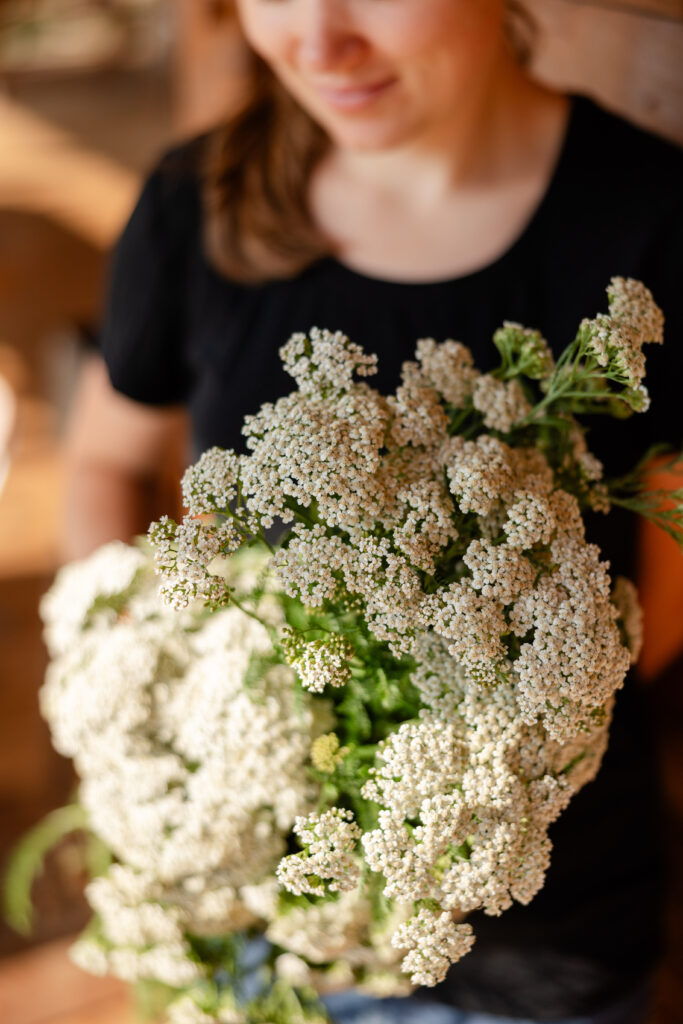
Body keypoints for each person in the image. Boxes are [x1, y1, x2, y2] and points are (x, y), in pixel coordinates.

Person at [63, 1, 683, 1021]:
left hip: (542, 936)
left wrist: (474, 751)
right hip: (248, 911)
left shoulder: (648, 217)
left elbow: (659, 579)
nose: (317, 41)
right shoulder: (198, 200)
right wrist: (141, 671)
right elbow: (102, 460)